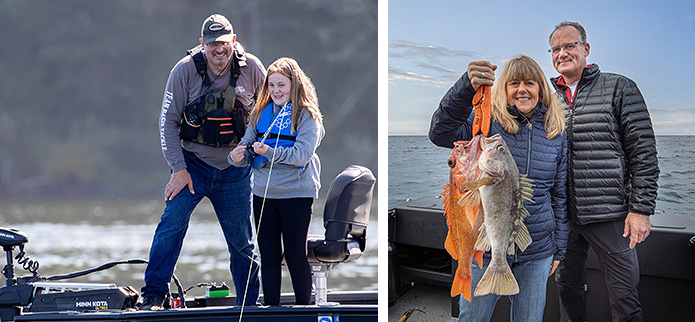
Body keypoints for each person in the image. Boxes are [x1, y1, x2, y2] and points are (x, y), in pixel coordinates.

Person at [139, 14, 266, 310]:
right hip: (192, 165)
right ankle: (153, 297)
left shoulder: (253, 69)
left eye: (223, 43)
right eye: (212, 45)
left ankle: (249, 305)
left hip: (236, 169)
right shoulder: (184, 71)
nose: (218, 50)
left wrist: (255, 154)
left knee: (243, 242)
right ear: (202, 45)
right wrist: (178, 169)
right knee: (170, 225)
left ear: (233, 42)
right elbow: (167, 124)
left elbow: (270, 115)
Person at [429, 55, 569, 322]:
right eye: (514, 83)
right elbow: (440, 132)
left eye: (530, 82)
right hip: (486, 246)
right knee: (472, 318)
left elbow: (560, 195)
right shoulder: (485, 121)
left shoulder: (557, 133)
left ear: (541, 87)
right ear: (504, 87)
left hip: (537, 247)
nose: (522, 89)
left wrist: (558, 249)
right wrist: (465, 87)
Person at [548, 21, 659, 322]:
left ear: (585, 48)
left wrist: (640, 209)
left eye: (569, 45)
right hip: (564, 218)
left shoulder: (619, 86)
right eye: (556, 49)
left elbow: (643, 152)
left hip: (611, 216)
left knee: (624, 296)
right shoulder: (546, 96)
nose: (563, 53)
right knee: (566, 288)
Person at [229, 57, 324, 306]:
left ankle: (305, 308)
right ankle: (272, 308)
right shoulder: (259, 113)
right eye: (271, 86)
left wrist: (268, 152)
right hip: (263, 195)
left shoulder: (307, 116)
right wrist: (236, 156)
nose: (276, 91)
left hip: (297, 193)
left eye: (281, 85)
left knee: (295, 255)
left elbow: (302, 155)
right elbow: (246, 145)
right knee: (269, 256)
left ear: (295, 85)